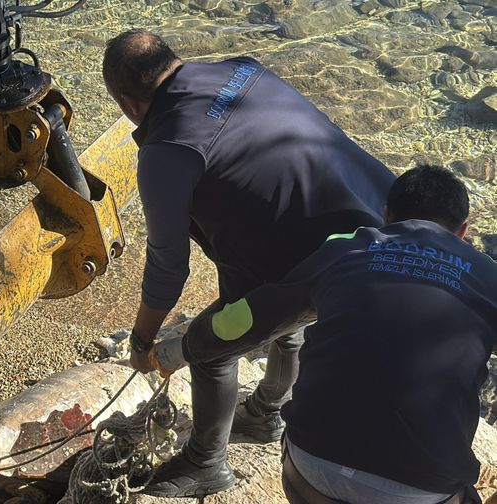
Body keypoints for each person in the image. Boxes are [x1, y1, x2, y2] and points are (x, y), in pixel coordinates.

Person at [101, 29, 397, 497]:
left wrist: (141, 339)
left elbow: (168, 267)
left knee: (210, 345)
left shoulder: (166, 152)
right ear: (174, 60)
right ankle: (264, 415)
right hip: (384, 222)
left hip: (331, 260)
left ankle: (205, 463)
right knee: (283, 320)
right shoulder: (243, 68)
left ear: (128, 104)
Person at [147, 164, 497, 503]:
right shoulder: (488, 276)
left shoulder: (344, 248)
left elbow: (250, 317)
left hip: (311, 472)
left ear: (387, 214)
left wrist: (179, 351)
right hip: (421, 491)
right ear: (463, 231)